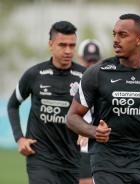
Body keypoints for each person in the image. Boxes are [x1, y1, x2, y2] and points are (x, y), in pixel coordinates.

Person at [66, 13, 140, 184]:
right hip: (107, 164)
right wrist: (94, 132)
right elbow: (71, 117)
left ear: (139, 39)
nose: (115, 40)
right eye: (114, 34)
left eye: (122, 35)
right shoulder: (96, 73)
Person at [7, 21, 86, 184]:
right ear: (51, 45)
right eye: (62, 45)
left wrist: (87, 128)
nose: (68, 51)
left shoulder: (85, 76)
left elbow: (100, 107)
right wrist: (19, 138)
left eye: (72, 46)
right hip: (40, 158)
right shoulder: (34, 74)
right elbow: (13, 104)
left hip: (71, 159)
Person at [76, 39, 102, 184]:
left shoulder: (106, 83)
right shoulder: (74, 82)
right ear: (80, 59)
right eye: (88, 61)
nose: (91, 65)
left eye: (95, 61)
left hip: (99, 146)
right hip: (79, 146)